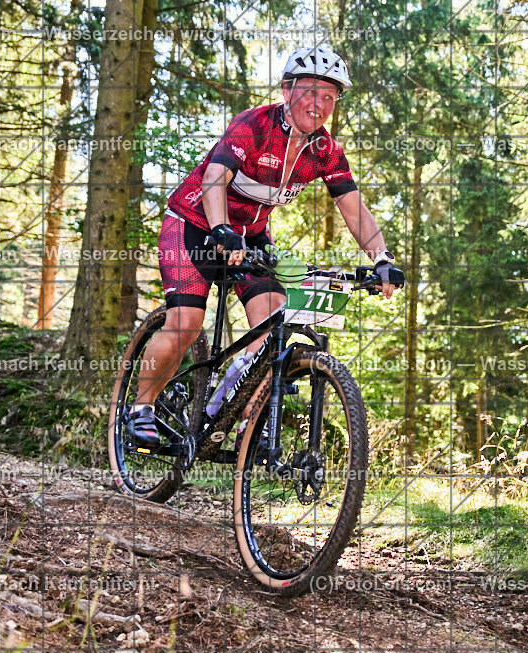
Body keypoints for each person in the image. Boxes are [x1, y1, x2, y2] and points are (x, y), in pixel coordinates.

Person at [128, 45, 400, 446]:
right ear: (287, 90)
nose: (319, 104)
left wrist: (382, 258)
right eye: (310, 92)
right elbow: (214, 179)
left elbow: (352, 206)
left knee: (273, 321)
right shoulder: (254, 125)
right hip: (194, 223)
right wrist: (220, 229)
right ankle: (141, 408)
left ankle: (231, 412)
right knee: (186, 322)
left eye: (330, 97)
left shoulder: (324, 151)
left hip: (251, 236)